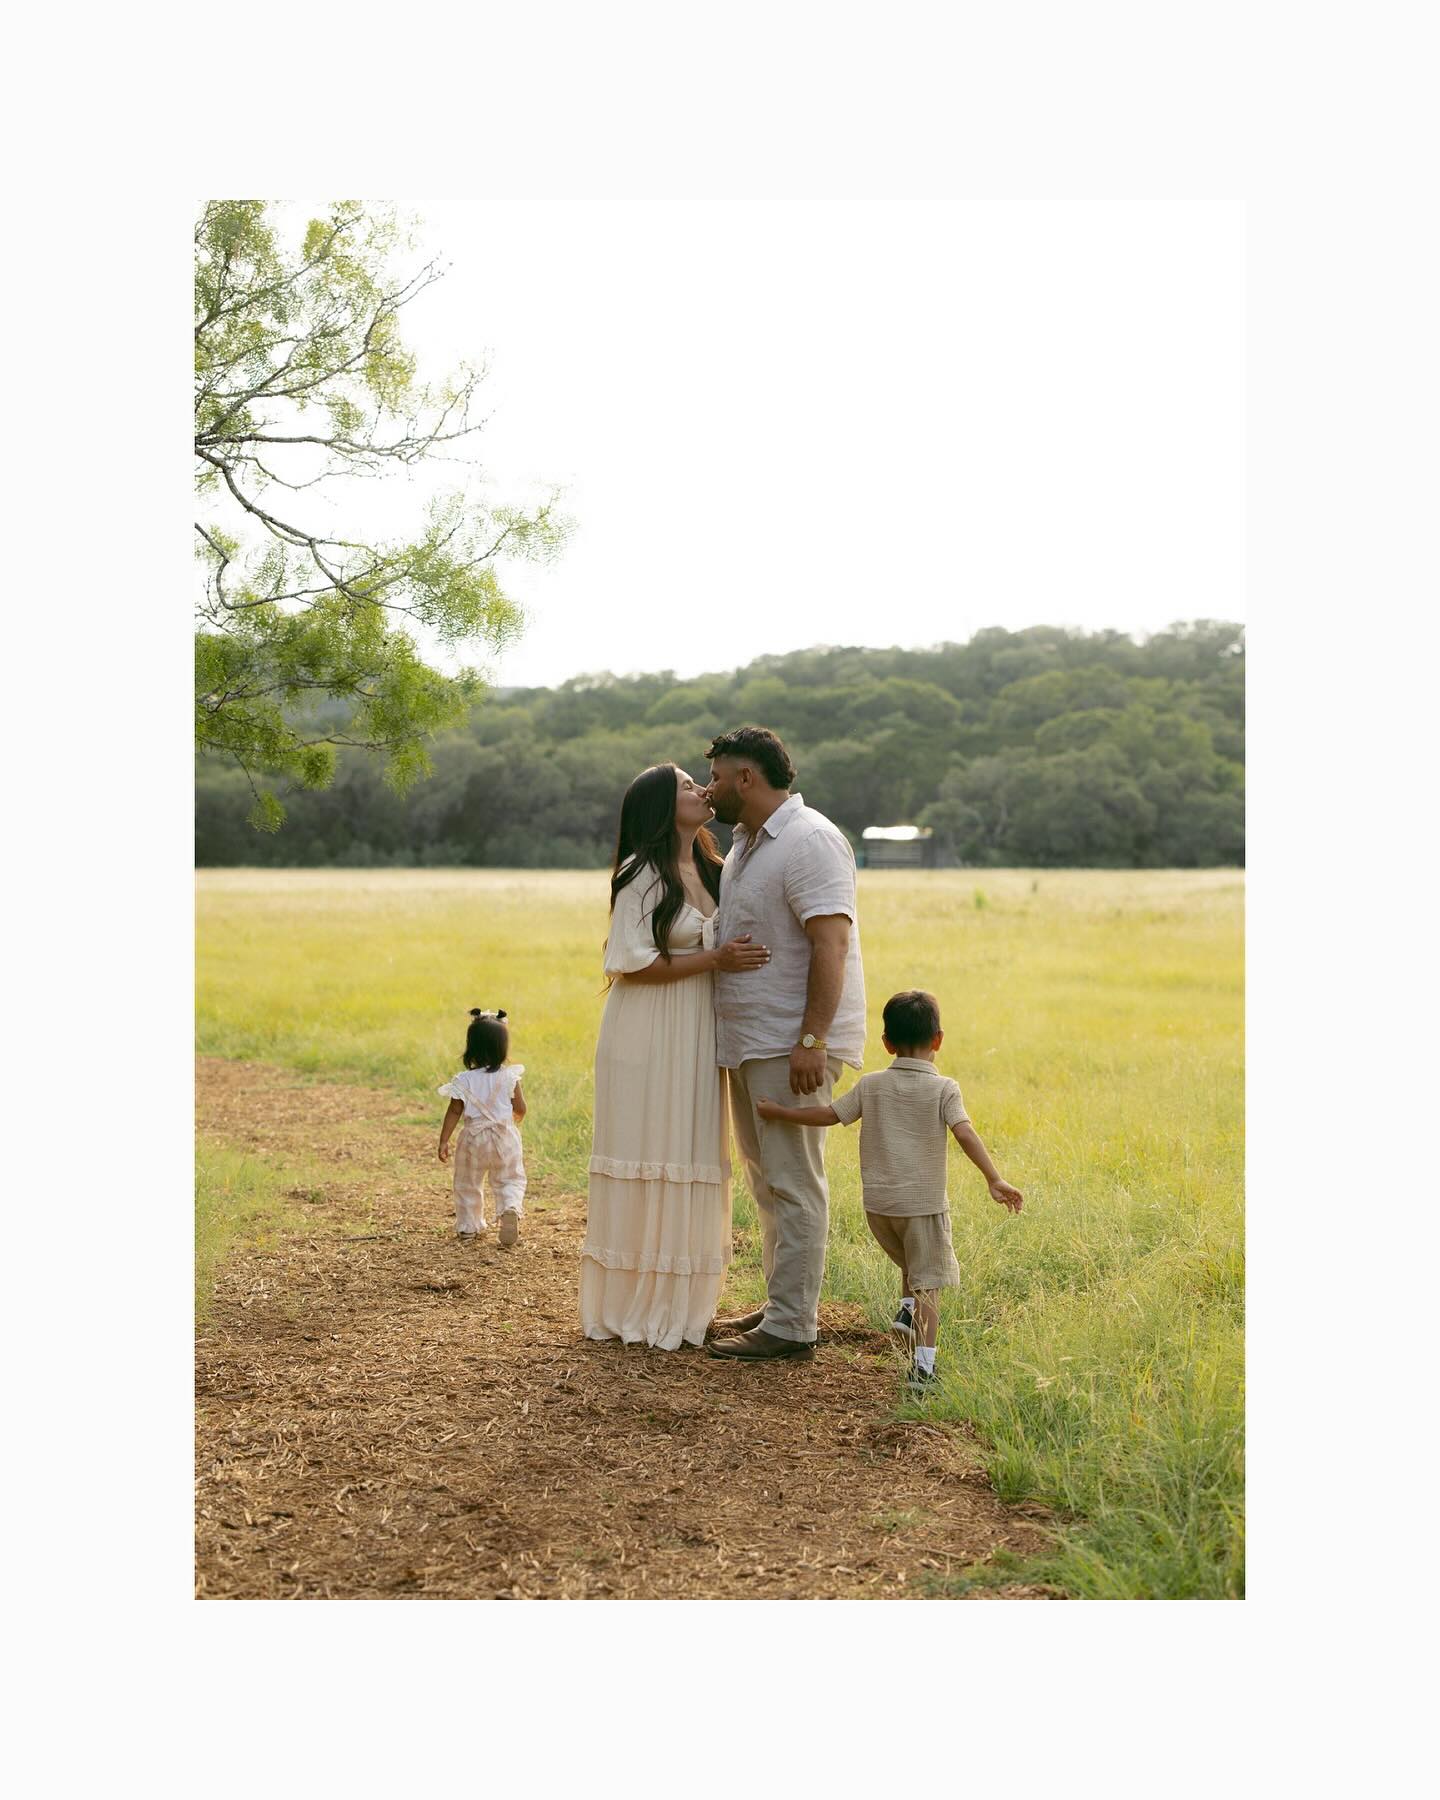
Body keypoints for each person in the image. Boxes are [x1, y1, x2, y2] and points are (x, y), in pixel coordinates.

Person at [580, 764, 771, 1351]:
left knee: (690, 1147)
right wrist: (716, 962)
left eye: (699, 781)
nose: (700, 790)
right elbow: (631, 961)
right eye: (688, 785)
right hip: (646, 1028)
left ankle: (683, 1304)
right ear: (664, 806)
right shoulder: (642, 870)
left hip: (693, 1028)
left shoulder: (718, 868)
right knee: (649, 1148)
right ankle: (635, 1302)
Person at [757, 988, 1023, 1389]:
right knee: (928, 1281)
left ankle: (904, 1311)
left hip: (879, 1208)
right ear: (938, 1040)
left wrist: (779, 1112)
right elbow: (965, 1134)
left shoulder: (872, 1085)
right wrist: (994, 1178)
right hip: (922, 1205)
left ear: (886, 1044)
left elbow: (830, 1115)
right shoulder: (945, 1089)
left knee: (910, 1264)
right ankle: (924, 1368)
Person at [703, 725, 867, 1362]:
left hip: (789, 1043)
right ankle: (781, 1303)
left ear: (746, 777)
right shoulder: (746, 843)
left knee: (795, 1181)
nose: (709, 787)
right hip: (749, 1041)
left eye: (716, 776)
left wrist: (812, 1038)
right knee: (766, 1179)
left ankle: (793, 1326)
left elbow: (832, 944)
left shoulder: (811, 840)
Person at [437, 1008, 528, 1248]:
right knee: (509, 1178)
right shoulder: (510, 1077)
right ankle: (509, 1207)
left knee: (468, 1182)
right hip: (503, 1136)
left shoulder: (464, 1080)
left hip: (473, 1139)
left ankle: (468, 1226)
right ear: (502, 1048)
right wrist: (515, 1117)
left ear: (471, 1048)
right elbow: (520, 1107)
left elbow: (455, 1111)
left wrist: (444, 1140)